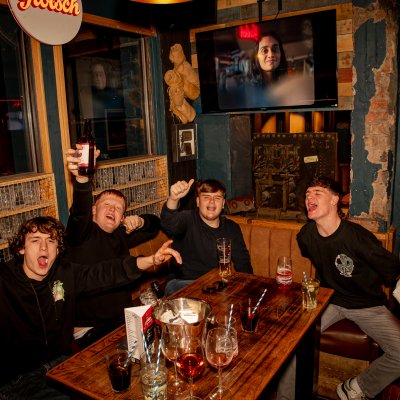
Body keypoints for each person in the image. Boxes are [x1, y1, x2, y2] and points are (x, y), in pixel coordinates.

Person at [0, 216, 181, 399]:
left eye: (51, 240)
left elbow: (105, 273)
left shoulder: (64, 272)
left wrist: (151, 260)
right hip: (20, 378)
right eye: (35, 240)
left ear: (58, 248)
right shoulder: (5, 281)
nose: (44, 247)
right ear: (21, 248)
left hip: (63, 364)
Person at [296, 176, 400, 400]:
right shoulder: (305, 236)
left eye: (317, 193)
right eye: (307, 194)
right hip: (328, 300)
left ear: (335, 200)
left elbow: (393, 269)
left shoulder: (357, 238)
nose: (310, 198)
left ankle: (357, 387)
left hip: (367, 305)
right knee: (292, 343)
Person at [65, 147, 161, 346]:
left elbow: (154, 226)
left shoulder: (119, 234)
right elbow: (79, 214)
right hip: (92, 330)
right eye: (107, 204)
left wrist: (140, 221)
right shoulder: (80, 234)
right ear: (93, 210)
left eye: (118, 208)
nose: (112, 209)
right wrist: (82, 180)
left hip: (123, 321)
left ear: (121, 218)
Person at [160, 178, 253, 296]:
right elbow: (168, 223)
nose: (212, 202)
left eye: (217, 198)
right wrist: (173, 200)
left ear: (223, 203)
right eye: (206, 197)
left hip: (215, 285)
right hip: (182, 283)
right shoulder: (187, 219)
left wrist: (249, 290)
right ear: (198, 202)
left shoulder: (231, 227)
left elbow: (243, 264)